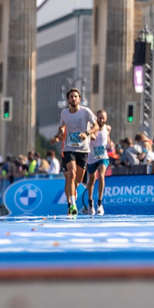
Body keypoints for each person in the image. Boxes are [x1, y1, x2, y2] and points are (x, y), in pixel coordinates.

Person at [50, 88, 99, 216]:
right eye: (71, 96)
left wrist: (87, 133)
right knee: (71, 174)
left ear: (79, 99)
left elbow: (97, 126)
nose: (73, 98)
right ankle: (72, 204)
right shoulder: (64, 113)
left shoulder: (86, 112)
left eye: (76, 96)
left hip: (83, 149)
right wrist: (57, 135)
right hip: (69, 149)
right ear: (68, 99)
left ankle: (74, 190)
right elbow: (61, 127)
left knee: (78, 179)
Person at [85, 110, 112, 215]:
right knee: (91, 180)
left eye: (103, 118)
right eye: (99, 118)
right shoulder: (92, 129)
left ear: (106, 119)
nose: (101, 120)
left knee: (101, 176)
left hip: (103, 157)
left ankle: (100, 203)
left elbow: (107, 139)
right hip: (92, 158)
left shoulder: (108, 128)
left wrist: (110, 144)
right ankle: (90, 202)